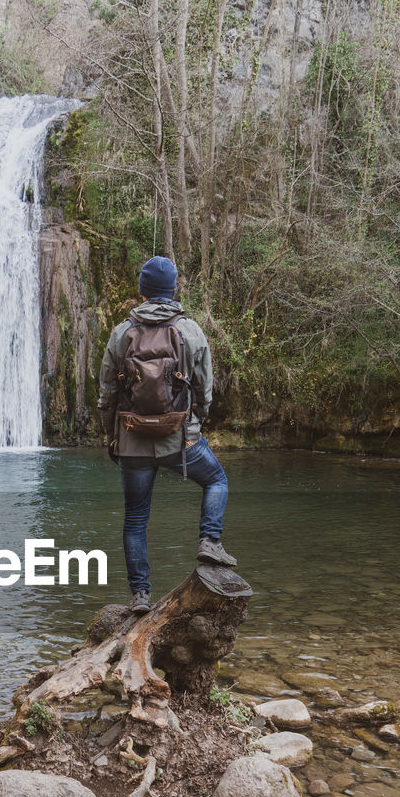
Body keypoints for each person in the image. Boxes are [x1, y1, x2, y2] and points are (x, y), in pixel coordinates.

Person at [98, 255, 236, 614]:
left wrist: (111, 436)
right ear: (173, 288)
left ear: (142, 290)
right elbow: (205, 388)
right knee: (217, 480)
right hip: (180, 439)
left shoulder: (121, 332)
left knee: (135, 519)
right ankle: (209, 540)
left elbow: (107, 394)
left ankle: (140, 596)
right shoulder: (190, 330)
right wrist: (195, 424)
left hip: (132, 441)